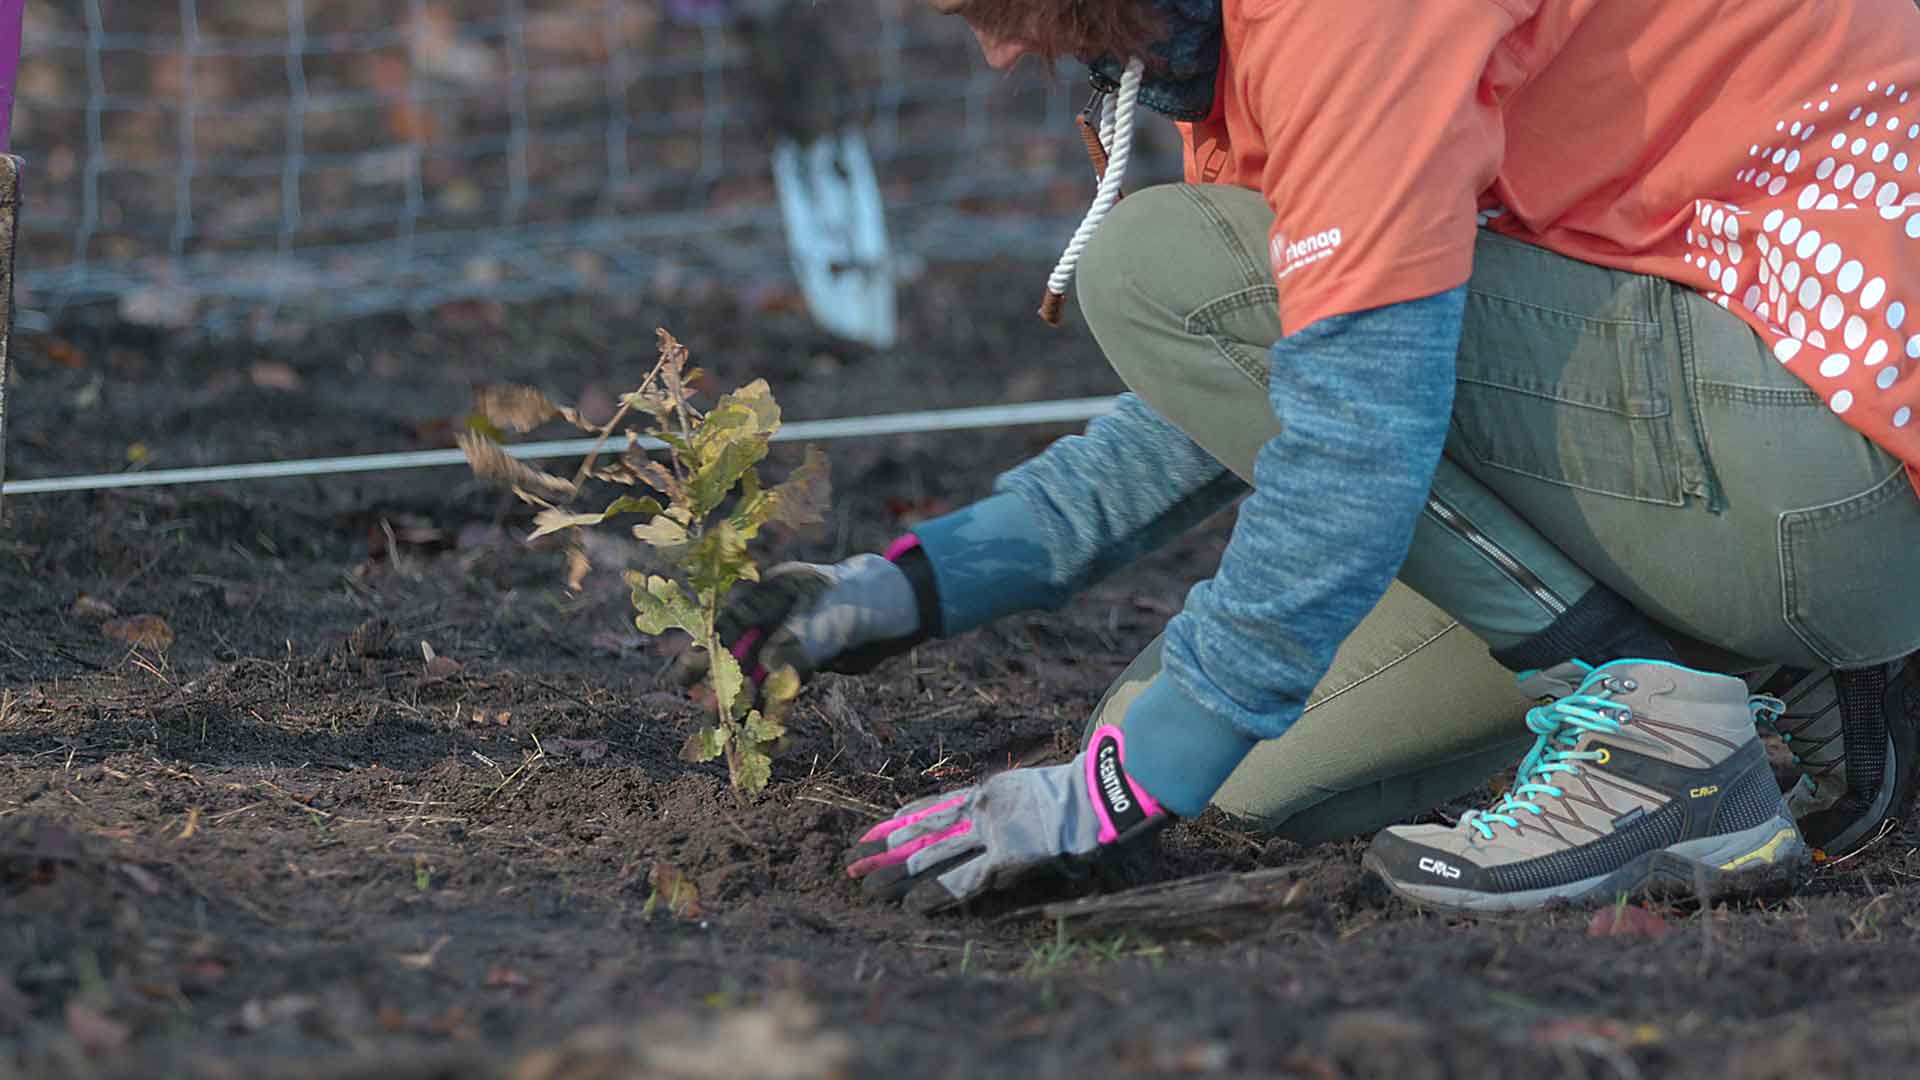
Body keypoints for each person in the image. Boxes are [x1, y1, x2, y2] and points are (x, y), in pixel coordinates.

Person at [693, 0, 1920, 913]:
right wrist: (917, 584)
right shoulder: (1223, 39)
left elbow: (1347, 432)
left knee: (1154, 267)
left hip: (1823, 462)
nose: (1002, 54)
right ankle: (1790, 667)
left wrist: (1116, 794)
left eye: (996, 8)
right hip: (1750, 438)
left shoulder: (1348, 15)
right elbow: (1271, 364)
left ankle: (1675, 747)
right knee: (1238, 776)